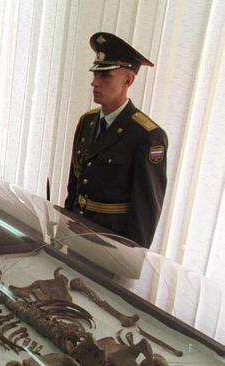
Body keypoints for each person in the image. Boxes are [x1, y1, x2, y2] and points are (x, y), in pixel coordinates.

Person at [64, 32, 168, 249]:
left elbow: (145, 211)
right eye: (95, 74)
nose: (94, 82)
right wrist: (64, 229)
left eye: (105, 76)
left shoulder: (147, 135)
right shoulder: (87, 122)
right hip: (76, 235)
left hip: (111, 245)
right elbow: (75, 186)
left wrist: (130, 261)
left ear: (128, 80)